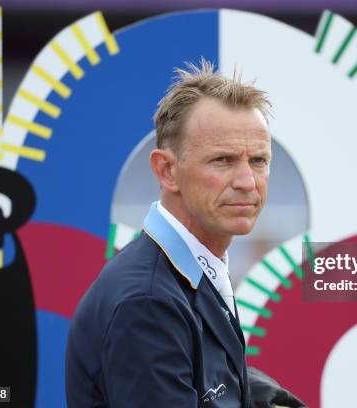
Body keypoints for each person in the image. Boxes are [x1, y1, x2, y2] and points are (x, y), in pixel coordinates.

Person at [65, 60, 306, 408]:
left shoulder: (189, 270)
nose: (247, 182)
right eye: (222, 160)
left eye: (258, 160)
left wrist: (254, 394)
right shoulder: (147, 303)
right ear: (167, 171)